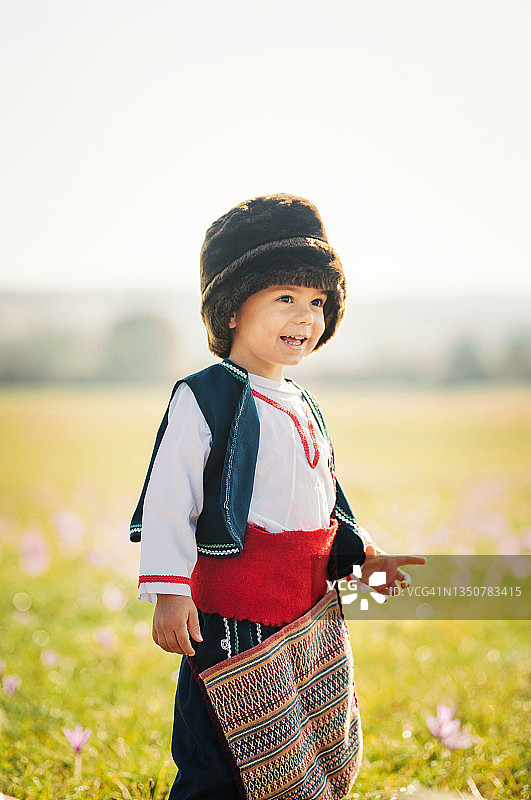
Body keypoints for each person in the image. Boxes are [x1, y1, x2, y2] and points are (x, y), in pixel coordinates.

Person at [131, 194, 426, 800]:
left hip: (308, 613)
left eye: (319, 301)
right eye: (285, 297)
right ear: (234, 309)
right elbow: (170, 500)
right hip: (233, 615)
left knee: (309, 752)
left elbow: (324, 497)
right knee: (223, 763)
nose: (307, 315)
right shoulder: (207, 396)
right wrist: (168, 592)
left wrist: (364, 554)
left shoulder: (300, 401)